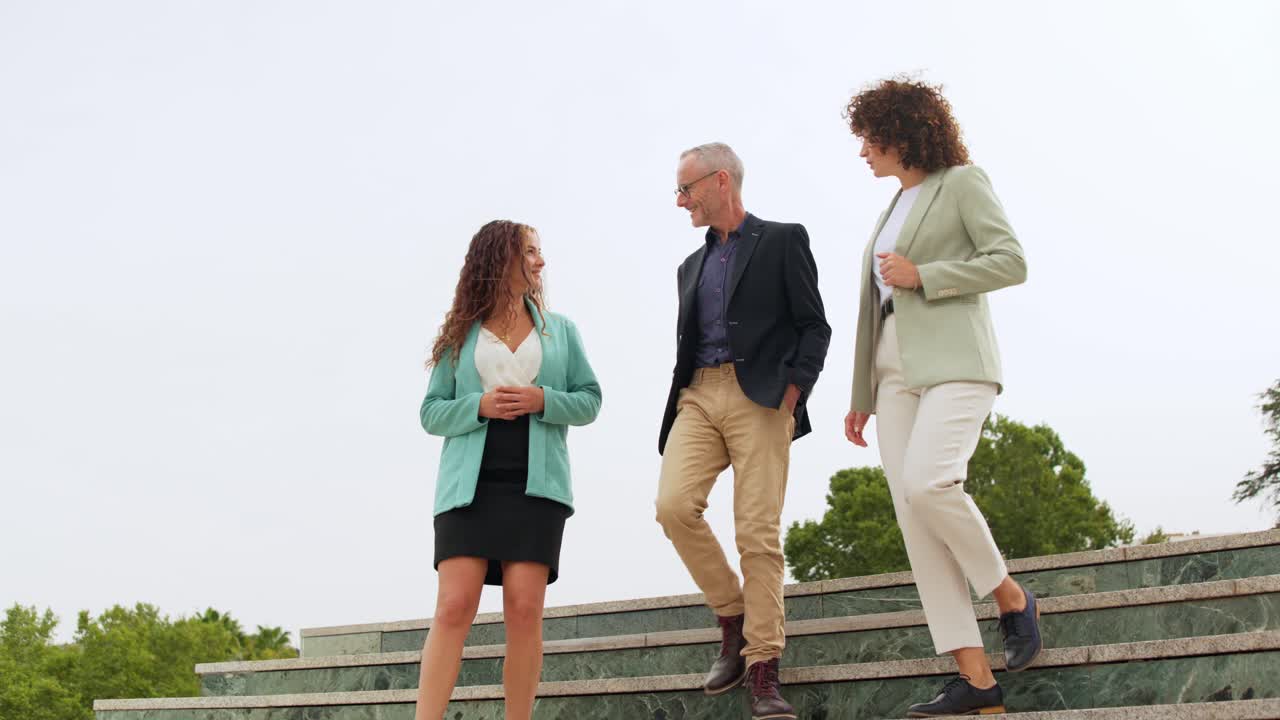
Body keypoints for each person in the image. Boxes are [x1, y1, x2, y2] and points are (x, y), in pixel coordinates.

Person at [842, 77, 1041, 717]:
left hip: (955, 358)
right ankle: (976, 679)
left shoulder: (962, 183)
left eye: (869, 138)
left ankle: (1009, 595)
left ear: (901, 131)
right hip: (892, 371)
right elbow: (875, 306)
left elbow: (1009, 260)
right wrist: (861, 393)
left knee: (930, 484)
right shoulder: (891, 210)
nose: (863, 151)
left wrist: (926, 274)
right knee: (914, 517)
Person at [655, 142, 831, 720]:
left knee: (757, 534)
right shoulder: (690, 266)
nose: (680, 201)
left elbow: (814, 324)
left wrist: (793, 391)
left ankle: (762, 669)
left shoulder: (783, 240)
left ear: (720, 181)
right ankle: (731, 614)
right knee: (674, 506)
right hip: (698, 395)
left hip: (762, 397)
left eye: (687, 189)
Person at [413, 220, 602, 720]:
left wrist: (544, 399)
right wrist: (479, 407)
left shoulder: (560, 330)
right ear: (500, 259)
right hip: (467, 487)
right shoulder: (459, 336)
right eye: (531, 252)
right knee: (454, 605)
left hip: (537, 486)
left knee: (523, 609)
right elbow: (431, 411)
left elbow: (589, 401)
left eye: (540, 252)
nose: (540, 261)